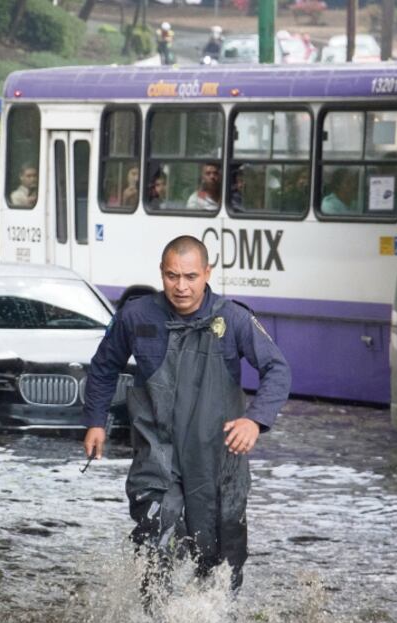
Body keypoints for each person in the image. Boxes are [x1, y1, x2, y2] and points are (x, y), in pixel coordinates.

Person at [81, 235, 291, 592]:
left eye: (191, 277)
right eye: (172, 276)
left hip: (217, 458)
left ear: (207, 273)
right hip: (157, 453)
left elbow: (277, 369)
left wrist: (254, 420)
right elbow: (103, 367)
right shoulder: (136, 316)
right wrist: (96, 422)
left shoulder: (233, 319)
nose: (181, 287)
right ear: (161, 274)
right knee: (154, 541)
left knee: (220, 560)